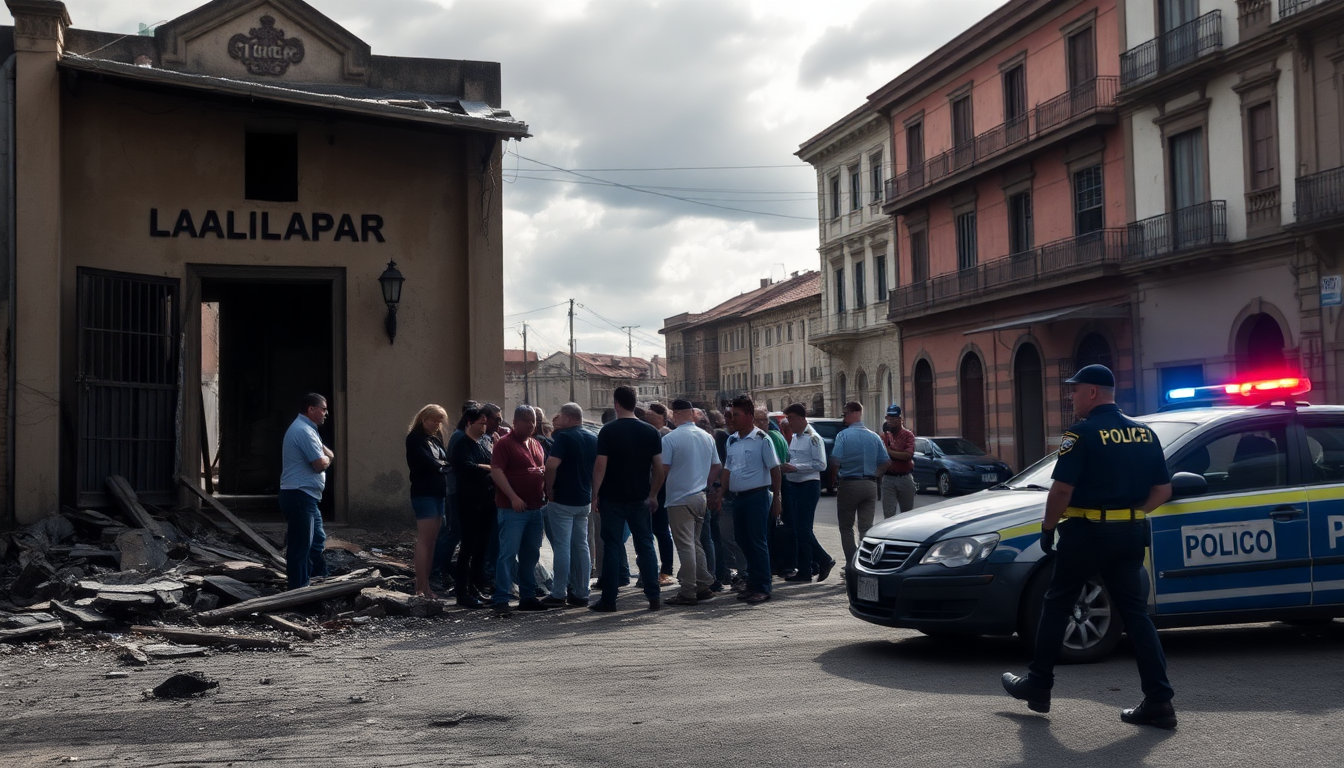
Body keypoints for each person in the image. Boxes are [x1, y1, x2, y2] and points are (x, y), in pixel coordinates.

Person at [1003, 364, 1176, 728]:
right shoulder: (1146, 434)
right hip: (1129, 533)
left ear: (1093, 393)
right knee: (1136, 616)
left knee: (1057, 603)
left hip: (1086, 534)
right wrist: (1125, 513)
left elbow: (1061, 490)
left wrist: (1048, 528)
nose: (1072, 397)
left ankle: (1039, 685)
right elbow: (1163, 491)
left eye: (1076, 390)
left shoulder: (1081, 435)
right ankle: (1160, 701)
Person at [590, 385, 666, 612]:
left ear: (616, 403)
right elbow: (659, 469)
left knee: (612, 546)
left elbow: (600, 466)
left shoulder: (608, 431)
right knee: (645, 545)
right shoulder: (650, 431)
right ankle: (653, 596)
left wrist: (595, 495)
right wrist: (653, 494)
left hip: (612, 498)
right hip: (640, 497)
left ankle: (609, 599)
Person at [720, 395, 782, 604]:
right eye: (730, 415)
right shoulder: (732, 439)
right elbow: (727, 469)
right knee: (742, 540)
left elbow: (775, 470)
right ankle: (753, 583)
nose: (731, 419)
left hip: (757, 497)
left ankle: (763, 587)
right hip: (737, 499)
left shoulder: (762, 439)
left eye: (736, 415)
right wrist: (720, 494)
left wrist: (777, 499)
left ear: (748, 416)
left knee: (757, 542)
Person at [660, 399, 722, 606]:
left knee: (685, 546)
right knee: (695, 543)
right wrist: (705, 484)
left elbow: (664, 469)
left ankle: (688, 590)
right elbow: (716, 466)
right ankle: (703, 584)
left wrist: (653, 491)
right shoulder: (706, 436)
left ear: (675, 414)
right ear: (692, 415)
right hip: (699, 496)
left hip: (679, 498)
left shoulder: (671, 438)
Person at [489, 405, 550, 614]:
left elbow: (541, 471)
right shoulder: (504, 445)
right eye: (525, 420)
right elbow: (497, 472)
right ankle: (501, 599)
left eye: (532, 420)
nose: (530, 424)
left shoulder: (536, 444)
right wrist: (513, 496)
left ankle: (527, 596)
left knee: (530, 555)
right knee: (508, 554)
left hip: (535, 509)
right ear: (514, 422)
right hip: (512, 509)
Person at [542, 402, 597, 608]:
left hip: (563, 498)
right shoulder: (593, 437)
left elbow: (551, 466)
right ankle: (582, 591)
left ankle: (559, 592)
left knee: (562, 545)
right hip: (584, 498)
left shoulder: (563, 437)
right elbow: (598, 469)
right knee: (581, 545)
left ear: (567, 417)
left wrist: (549, 489)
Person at [278, 393, 333, 590]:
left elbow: (323, 453)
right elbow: (319, 463)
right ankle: (298, 590)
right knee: (300, 546)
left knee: (316, 540)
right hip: (299, 495)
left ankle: (318, 579)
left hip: (307, 496)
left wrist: (327, 455)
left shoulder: (309, 429)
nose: (326, 413)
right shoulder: (303, 430)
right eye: (323, 409)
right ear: (311, 409)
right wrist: (328, 458)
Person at [829, 401, 889, 569]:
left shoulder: (844, 436)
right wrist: (874, 474)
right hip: (870, 484)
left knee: (846, 527)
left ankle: (851, 563)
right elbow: (885, 462)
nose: (844, 418)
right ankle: (865, 563)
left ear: (855, 413)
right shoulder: (874, 436)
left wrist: (834, 480)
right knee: (866, 528)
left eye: (845, 414)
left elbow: (835, 460)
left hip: (849, 483)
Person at [780, 403, 835, 583]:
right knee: (799, 529)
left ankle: (824, 559)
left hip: (807, 485)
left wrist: (794, 467)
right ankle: (805, 570)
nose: (789, 423)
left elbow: (821, 465)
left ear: (801, 418)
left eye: (791, 419)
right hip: (794, 485)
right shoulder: (796, 437)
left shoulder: (813, 438)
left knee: (802, 529)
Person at [431, 399, 481, 591]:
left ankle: (443, 570)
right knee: (453, 533)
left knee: (455, 533)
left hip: (458, 490)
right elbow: (463, 466)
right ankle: (437, 571)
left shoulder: (463, 435)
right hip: (456, 491)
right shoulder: (460, 437)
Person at [450, 407, 494, 608]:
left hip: (486, 501)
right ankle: (462, 592)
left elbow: (492, 464)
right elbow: (467, 468)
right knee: (467, 547)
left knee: (482, 548)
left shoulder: (484, 443)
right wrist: (488, 468)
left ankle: (476, 586)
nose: (485, 426)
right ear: (469, 422)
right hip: (469, 502)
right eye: (481, 423)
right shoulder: (462, 444)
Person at [405, 403, 449, 598]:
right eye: (434, 421)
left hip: (438, 492)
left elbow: (446, 462)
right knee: (425, 540)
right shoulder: (415, 439)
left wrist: (442, 465)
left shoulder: (435, 439)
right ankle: (419, 587)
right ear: (424, 419)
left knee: (432, 541)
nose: (437, 426)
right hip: (424, 493)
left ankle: (426, 585)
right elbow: (429, 463)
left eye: (440, 422)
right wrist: (441, 465)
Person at [644, 402, 677, 586]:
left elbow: (664, 467)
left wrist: (655, 492)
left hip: (661, 488)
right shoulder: (650, 432)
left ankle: (666, 570)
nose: (648, 415)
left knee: (661, 530)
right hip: (651, 487)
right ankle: (653, 570)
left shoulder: (665, 435)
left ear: (661, 417)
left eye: (652, 413)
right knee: (652, 531)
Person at [880, 404, 918, 517]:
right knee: (888, 513)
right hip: (888, 478)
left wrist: (889, 451)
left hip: (904, 477)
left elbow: (907, 455)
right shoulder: (885, 436)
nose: (890, 422)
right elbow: (881, 456)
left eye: (893, 419)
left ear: (900, 420)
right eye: (888, 419)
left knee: (906, 515)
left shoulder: (908, 435)